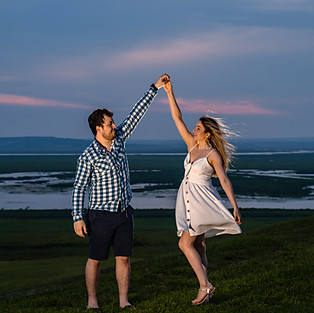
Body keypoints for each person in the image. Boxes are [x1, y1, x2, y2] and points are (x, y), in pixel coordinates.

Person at [71, 74, 170, 310]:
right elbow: (79, 187)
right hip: (100, 215)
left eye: (113, 123)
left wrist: (154, 88)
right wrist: (77, 218)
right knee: (95, 260)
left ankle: (124, 302)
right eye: (109, 124)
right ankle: (92, 301)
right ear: (98, 128)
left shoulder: (120, 140)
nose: (114, 126)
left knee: (123, 258)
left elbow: (136, 113)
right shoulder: (88, 156)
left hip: (124, 213)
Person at [163, 79, 242, 305]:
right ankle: (208, 291)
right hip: (187, 201)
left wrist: (234, 206)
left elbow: (224, 181)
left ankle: (204, 286)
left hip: (201, 202)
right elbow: (177, 118)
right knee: (198, 245)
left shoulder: (212, 154)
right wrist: (169, 91)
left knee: (184, 244)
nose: (194, 129)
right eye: (196, 127)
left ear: (207, 134)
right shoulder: (192, 146)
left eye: (198, 128)